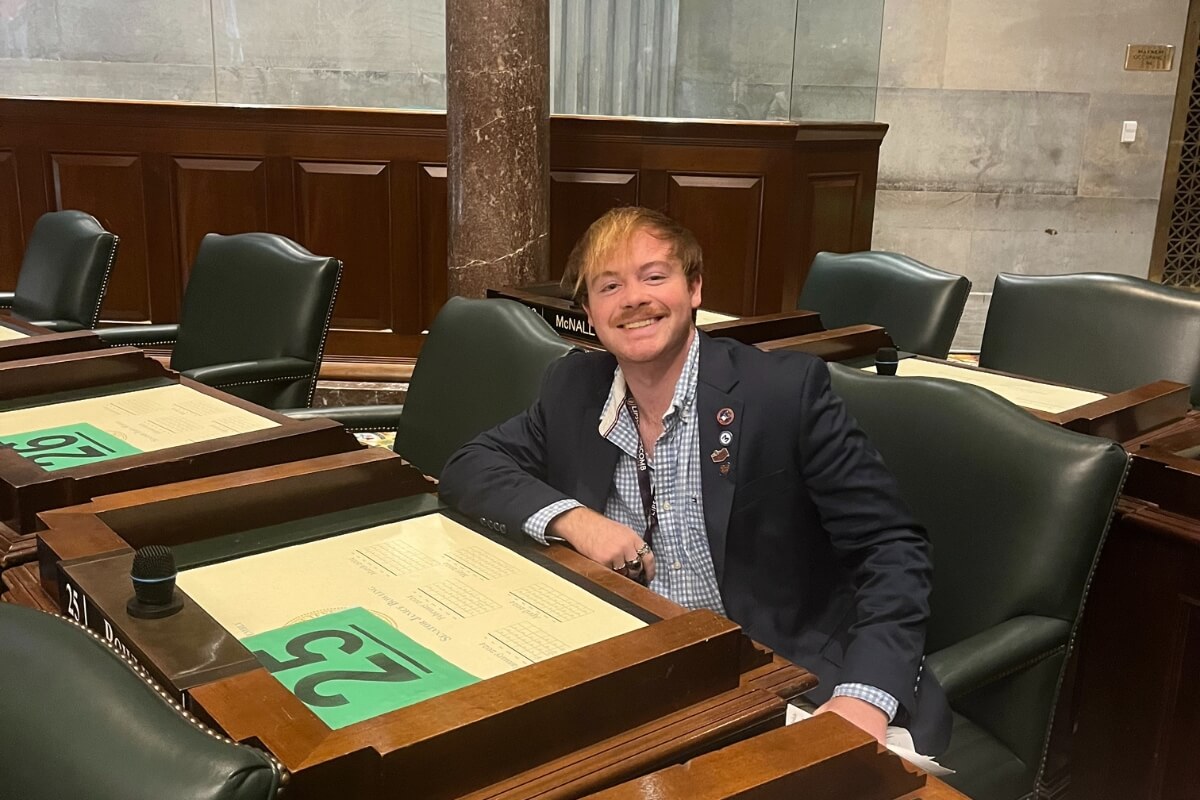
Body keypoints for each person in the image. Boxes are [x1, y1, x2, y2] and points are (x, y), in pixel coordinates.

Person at [439, 207, 950, 754]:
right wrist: (576, 520)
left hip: (779, 672)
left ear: (695, 288)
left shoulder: (783, 393)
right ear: (588, 310)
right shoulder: (573, 387)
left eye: (654, 276)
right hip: (636, 662)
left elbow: (890, 549)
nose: (633, 298)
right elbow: (470, 465)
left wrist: (864, 698)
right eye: (609, 285)